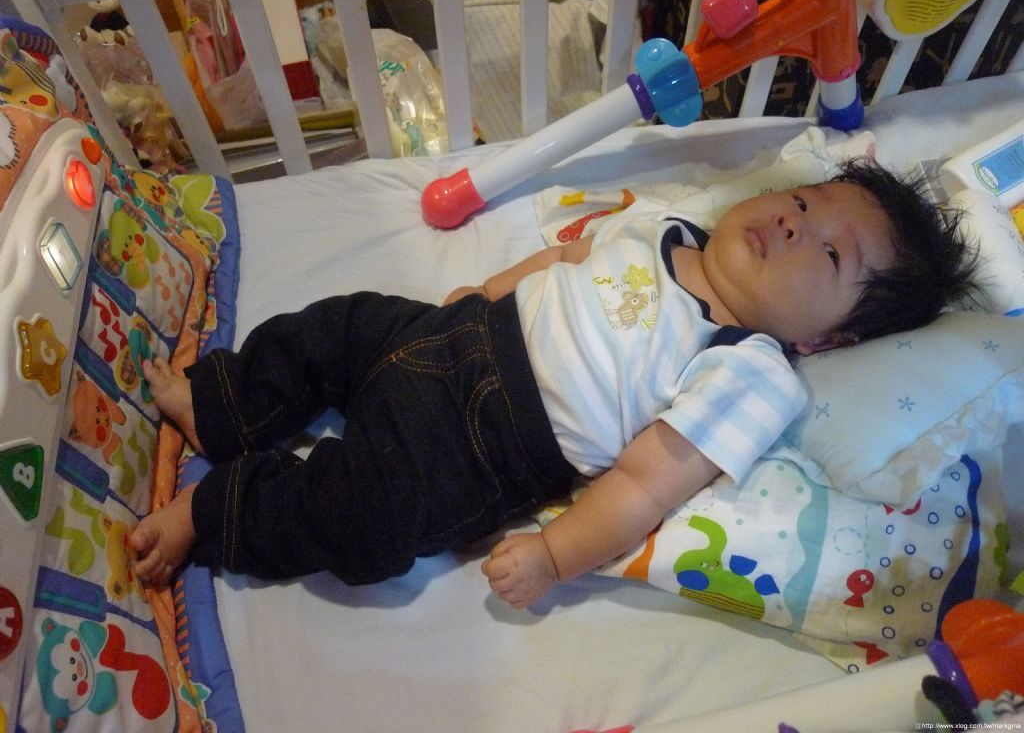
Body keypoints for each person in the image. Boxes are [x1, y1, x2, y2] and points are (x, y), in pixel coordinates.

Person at [128, 159, 977, 609]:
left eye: (828, 252)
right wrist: (487, 289)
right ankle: (225, 405)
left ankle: (218, 511)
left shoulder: (754, 371)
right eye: (806, 199)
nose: (793, 221)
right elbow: (566, 257)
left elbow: (644, 484)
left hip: (482, 446)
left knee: (367, 523)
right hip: (448, 332)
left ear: (829, 338)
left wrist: (556, 557)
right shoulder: (665, 227)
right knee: (336, 325)